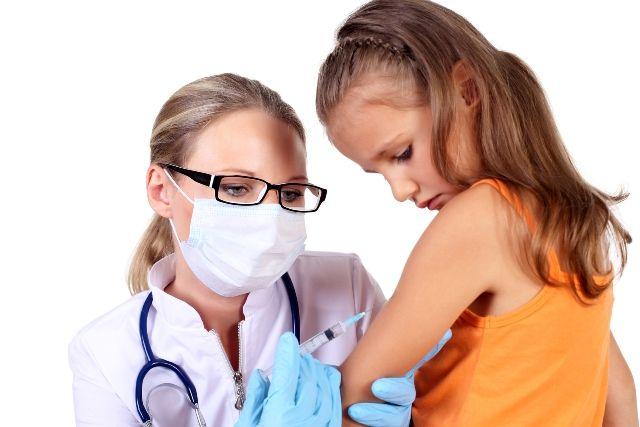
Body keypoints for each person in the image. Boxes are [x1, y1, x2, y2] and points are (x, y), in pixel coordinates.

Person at [314, 0, 638, 426]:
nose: (399, 190)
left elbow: (354, 395)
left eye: (402, 153)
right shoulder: (574, 222)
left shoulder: (484, 216)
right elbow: (619, 397)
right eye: (379, 173)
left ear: (466, 91)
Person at [68, 73, 449, 427]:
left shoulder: (346, 287)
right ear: (162, 191)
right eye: (236, 188)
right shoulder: (106, 352)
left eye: (291, 193)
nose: (270, 218)